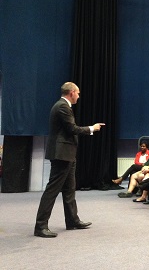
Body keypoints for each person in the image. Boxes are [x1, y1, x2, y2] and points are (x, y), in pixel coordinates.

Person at [34, 82, 105, 238]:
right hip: (62, 155)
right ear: (71, 92)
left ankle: (72, 220)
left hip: (67, 154)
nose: (79, 96)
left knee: (69, 190)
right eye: (78, 93)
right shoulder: (62, 107)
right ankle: (40, 226)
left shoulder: (63, 106)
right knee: (52, 191)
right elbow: (72, 129)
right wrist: (92, 128)